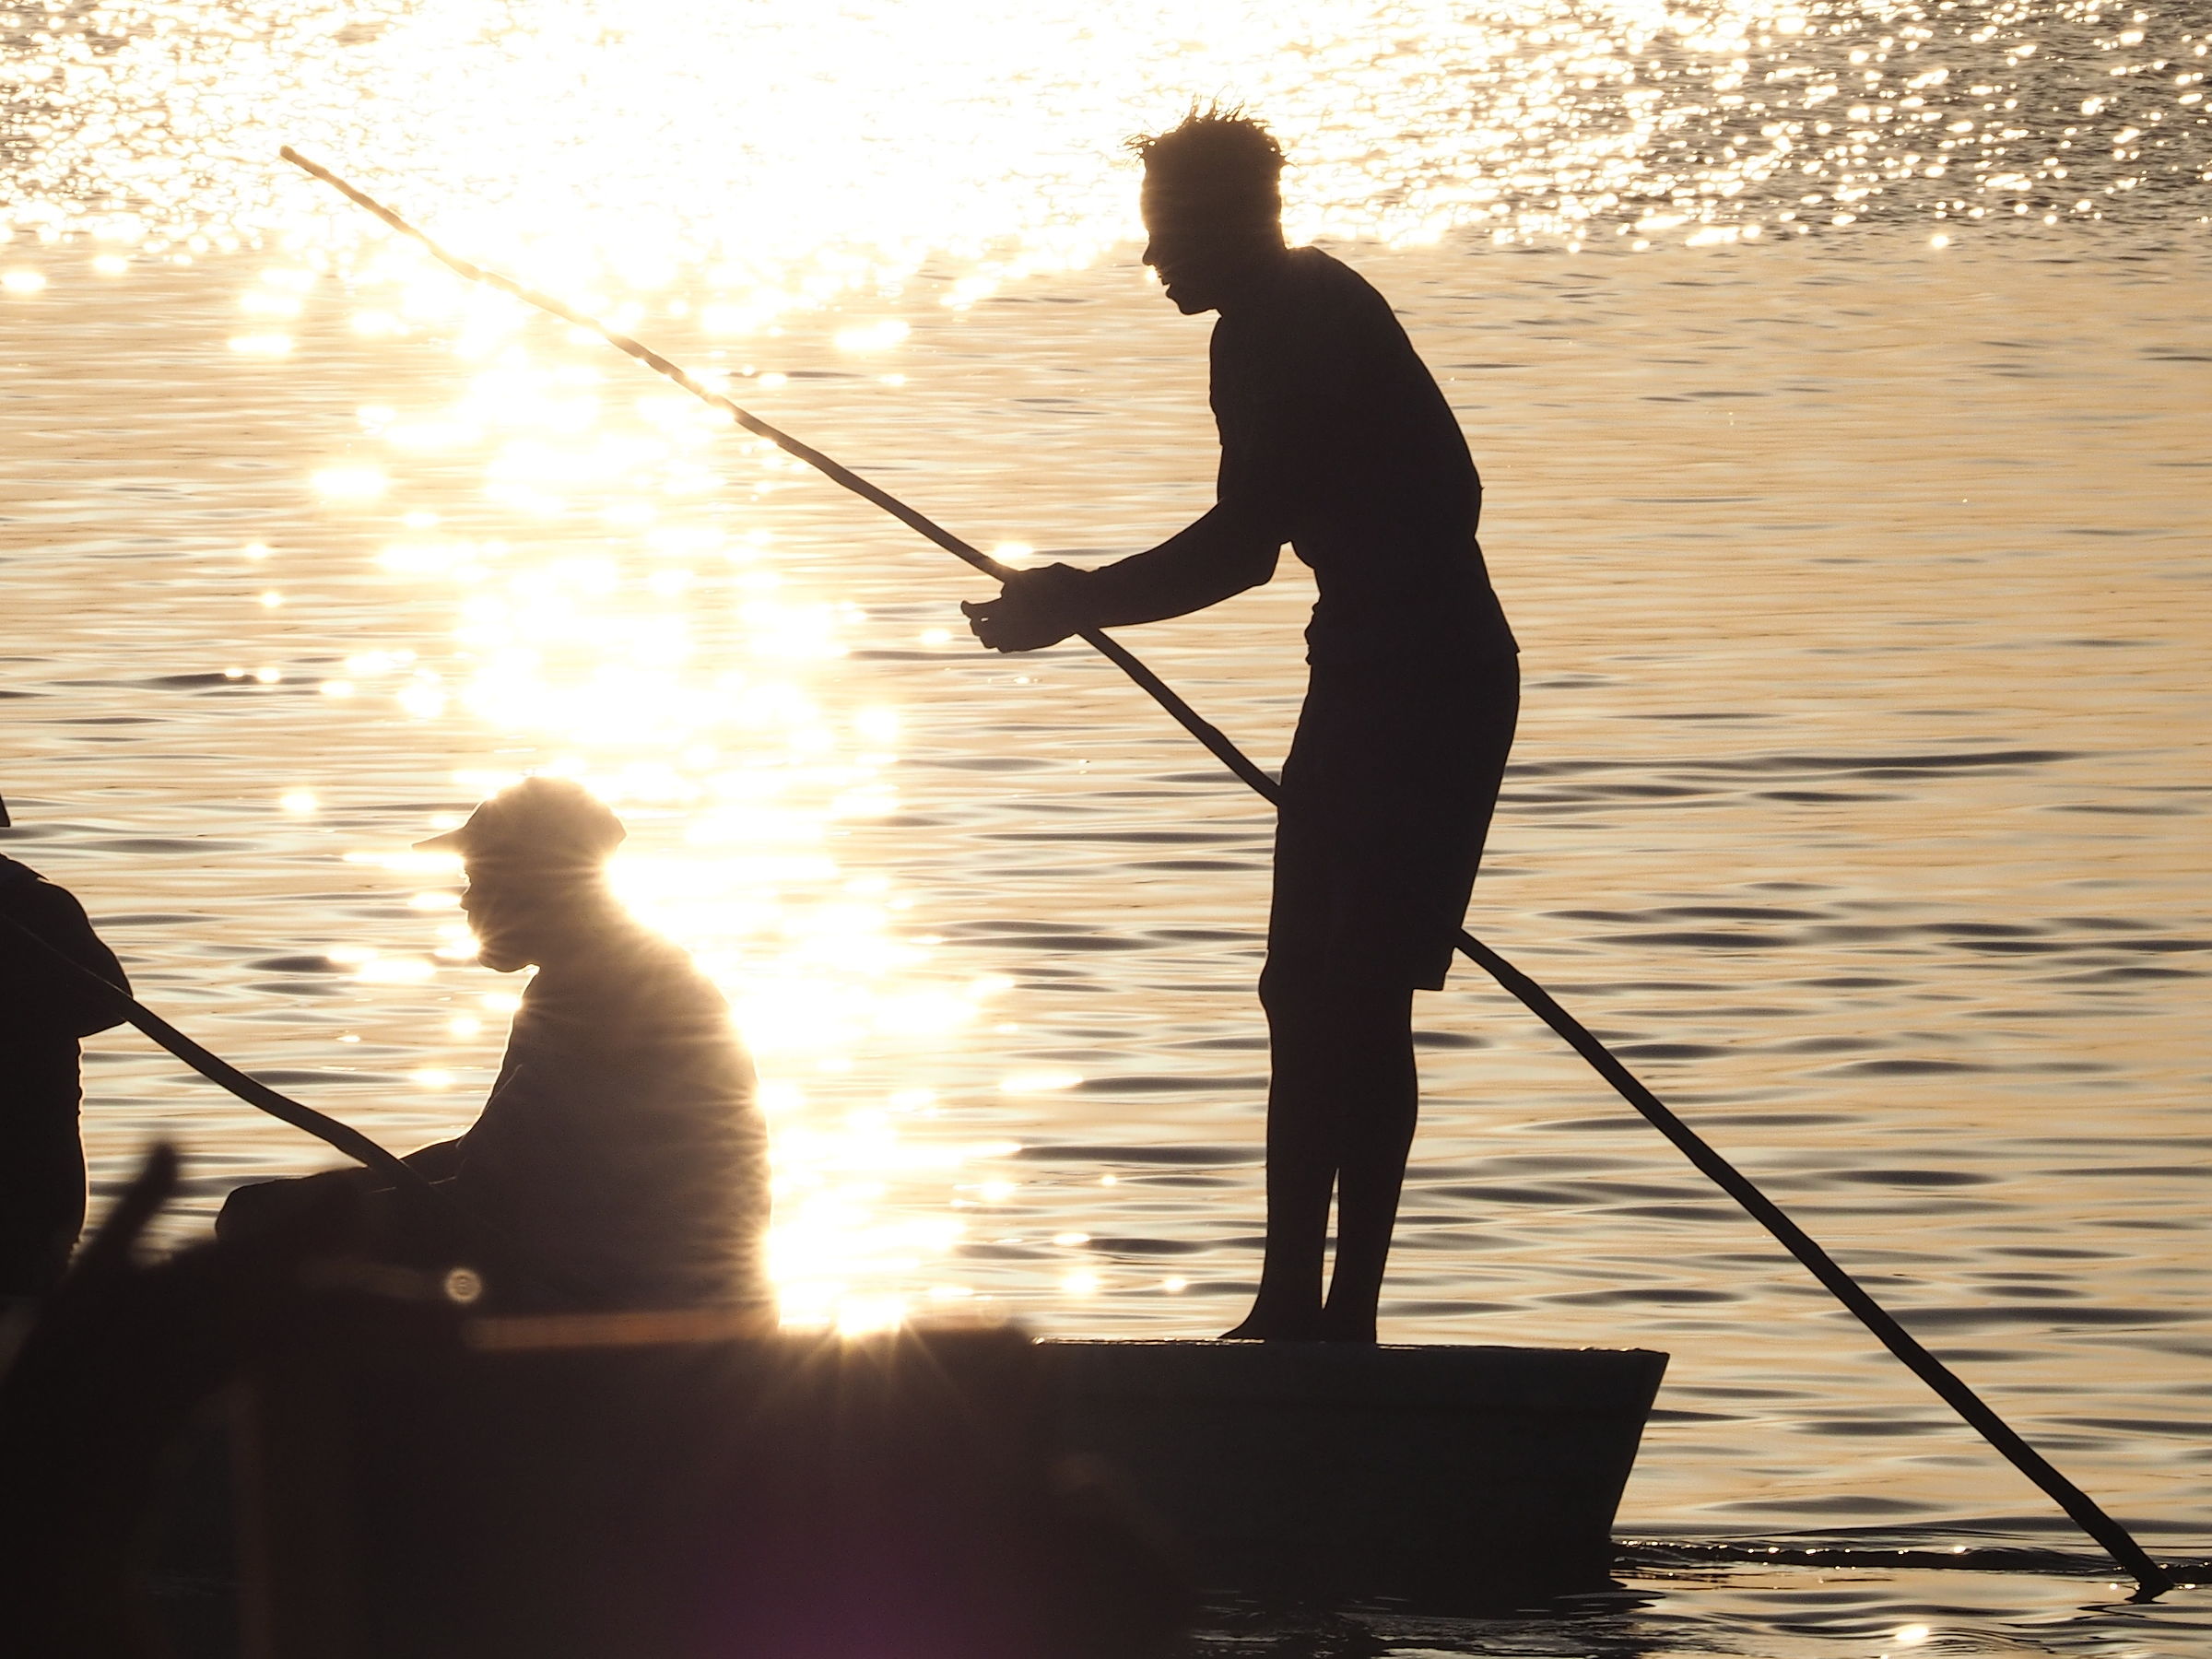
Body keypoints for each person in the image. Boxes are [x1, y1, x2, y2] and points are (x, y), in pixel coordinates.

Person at [962, 109, 1518, 1343]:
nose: (1150, 257)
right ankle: (1288, 1303)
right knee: (1297, 988)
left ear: (1231, 223)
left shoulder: (1304, 320)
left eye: (1167, 232)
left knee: (1358, 994)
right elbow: (1265, 535)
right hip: (1361, 673)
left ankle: (1344, 1317)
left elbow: (1242, 549)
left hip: (1434, 685)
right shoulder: (1255, 329)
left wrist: (1077, 600)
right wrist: (1079, 599)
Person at [221, 777, 771, 1313]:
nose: (467, 900)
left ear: (539, 884)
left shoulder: (612, 998)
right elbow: (485, 1158)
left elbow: (489, 1202)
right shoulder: (594, 980)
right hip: (630, 1295)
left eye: (480, 877)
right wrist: (334, 1197)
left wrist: (313, 1222)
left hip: (637, 1317)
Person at [0, 805, 133, 1302]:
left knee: (34, 1277)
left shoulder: (37, 908)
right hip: (41, 1146)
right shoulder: (40, 905)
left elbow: (112, 1002)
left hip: (32, 1145)